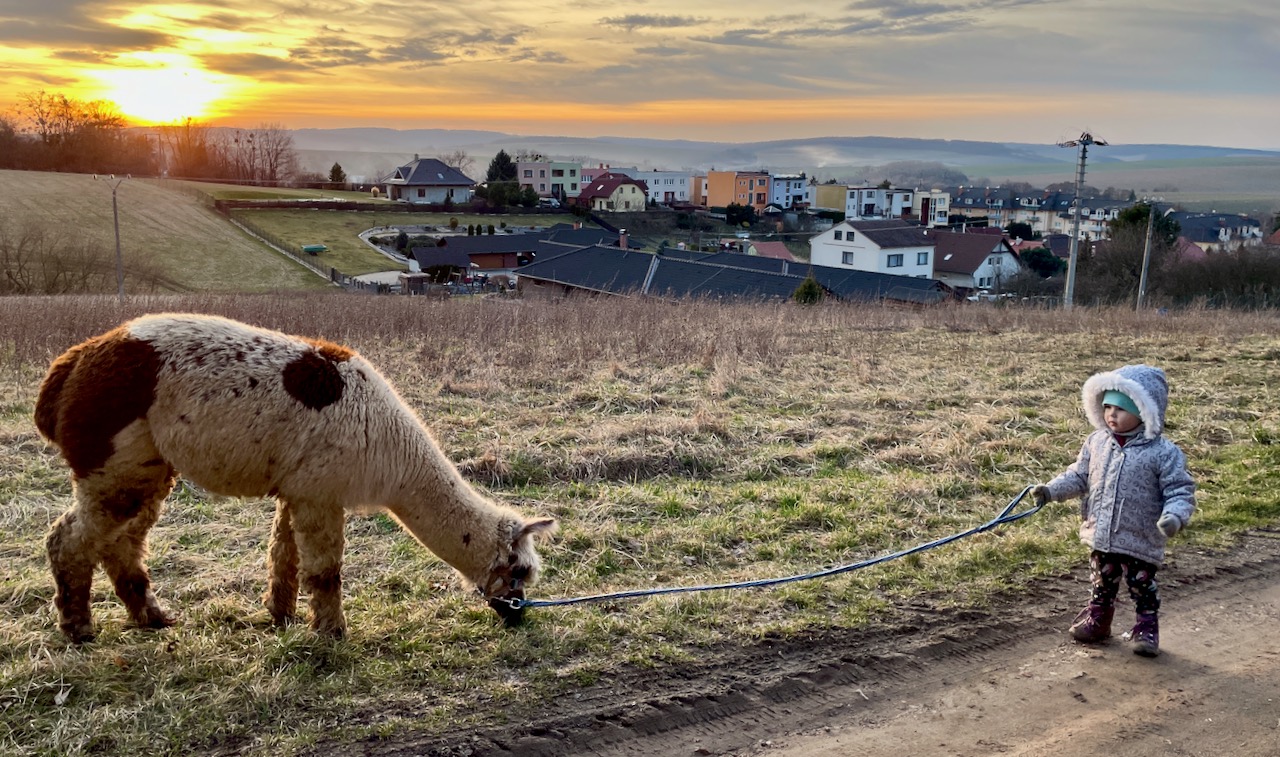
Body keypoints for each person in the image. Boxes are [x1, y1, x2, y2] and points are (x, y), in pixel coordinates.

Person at [1032, 364, 1196, 657]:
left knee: (1141, 584)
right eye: (1107, 407)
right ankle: (1099, 620)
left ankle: (1146, 628)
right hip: (1102, 530)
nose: (1111, 414)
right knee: (1102, 580)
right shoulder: (1097, 442)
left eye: (1121, 409)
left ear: (1144, 410)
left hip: (1141, 536)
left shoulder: (1163, 453)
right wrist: (1051, 490)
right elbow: (1079, 476)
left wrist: (1175, 516)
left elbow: (1179, 490)